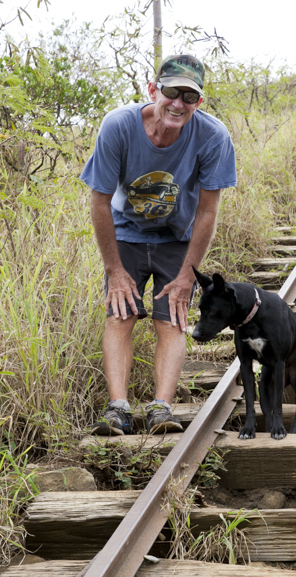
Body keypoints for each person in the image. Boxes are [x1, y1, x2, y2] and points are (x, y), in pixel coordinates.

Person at [80, 54, 237, 435]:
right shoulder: (118, 126)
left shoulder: (213, 136)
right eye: (171, 92)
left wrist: (188, 278)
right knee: (121, 313)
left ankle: (161, 409)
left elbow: (206, 212)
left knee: (173, 318)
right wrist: (114, 270)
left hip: (177, 238)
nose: (178, 104)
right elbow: (99, 201)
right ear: (153, 90)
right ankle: (117, 409)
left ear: (199, 102)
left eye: (190, 97)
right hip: (125, 233)